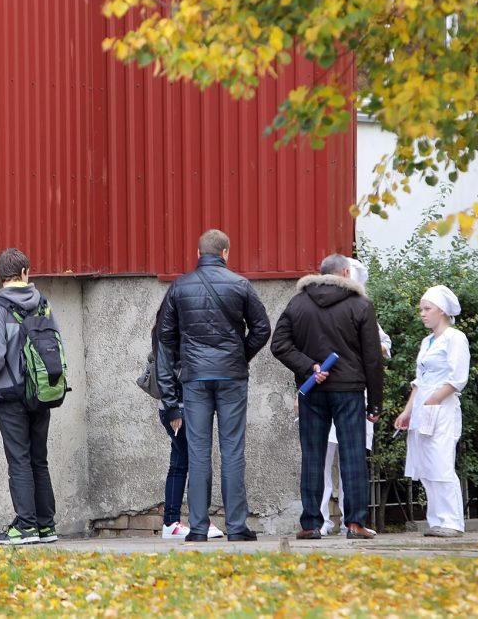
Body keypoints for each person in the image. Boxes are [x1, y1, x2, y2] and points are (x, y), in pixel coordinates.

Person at [156, 229, 271, 542]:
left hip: (194, 379)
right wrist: (239, 355)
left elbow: (164, 338)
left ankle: (197, 528)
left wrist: (169, 395)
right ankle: (236, 527)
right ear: (226, 253)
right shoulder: (240, 285)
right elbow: (262, 329)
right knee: (233, 450)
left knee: (198, 452)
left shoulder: (179, 287)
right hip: (231, 377)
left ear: (198, 254)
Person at [271, 253, 384, 540]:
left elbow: (279, 344)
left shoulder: (298, 302)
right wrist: (375, 403)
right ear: (346, 273)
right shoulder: (360, 305)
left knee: (313, 456)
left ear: (321, 274)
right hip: (349, 390)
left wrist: (309, 366)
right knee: (353, 456)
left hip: (313, 390)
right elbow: (372, 358)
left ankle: (311, 524)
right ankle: (355, 524)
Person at [0, 248, 59, 545]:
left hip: (11, 394)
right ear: (26, 272)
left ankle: (25, 526)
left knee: (19, 460)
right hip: (41, 390)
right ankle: (46, 525)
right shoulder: (44, 303)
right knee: (39, 459)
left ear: (0, 275)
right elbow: (56, 342)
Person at [319, 257, 391, 536]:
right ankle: (322, 518)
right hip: (327, 390)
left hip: (352, 393)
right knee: (322, 459)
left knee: (352, 460)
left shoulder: (363, 310)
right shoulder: (320, 310)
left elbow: (382, 345)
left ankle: (352, 518)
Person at [393, 285, 470, 537]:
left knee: (441, 462)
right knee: (426, 465)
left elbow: (457, 378)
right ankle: (437, 519)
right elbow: (419, 380)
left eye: (428, 309)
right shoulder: (427, 341)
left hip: (443, 408)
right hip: (424, 409)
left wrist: (433, 401)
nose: (423, 314)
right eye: (421, 309)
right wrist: (407, 412)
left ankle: (452, 521)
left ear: (442, 311)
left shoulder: (455, 338)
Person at [151, 299, 224, 540]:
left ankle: (172, 522)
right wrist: (173, 410)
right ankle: (195, 521)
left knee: (181, 461)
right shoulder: (170, 333)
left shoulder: (173, 330)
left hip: (180, 406)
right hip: (179, 407)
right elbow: (165, 371)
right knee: (194, 460)